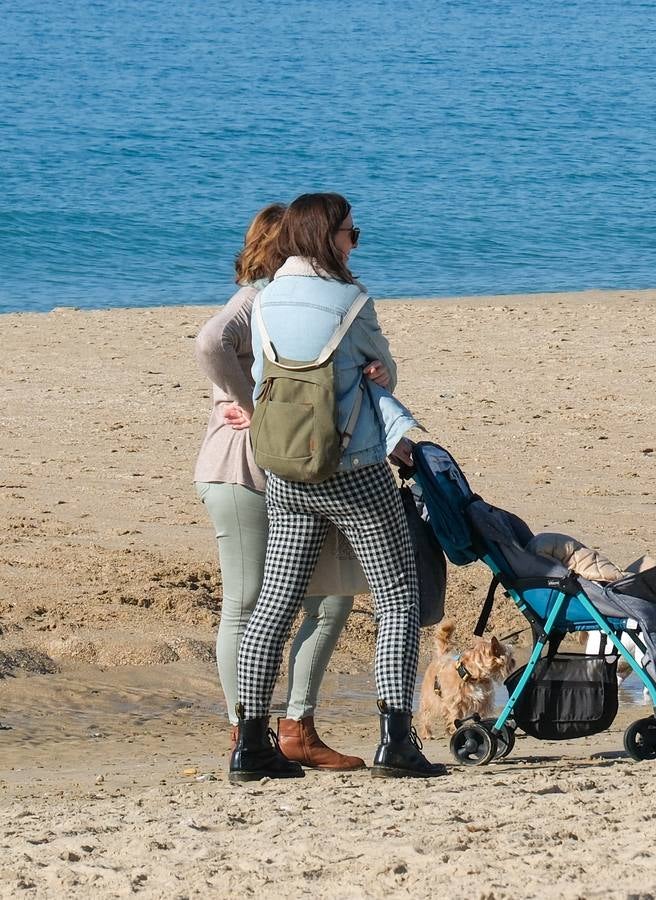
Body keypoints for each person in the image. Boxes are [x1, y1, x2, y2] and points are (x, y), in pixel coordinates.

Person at [229, 192, 447, 780]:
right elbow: (383, 368)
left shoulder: (266, 299)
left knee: (274, 603)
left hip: (284, 468)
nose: (356, 241)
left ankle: (249, 742)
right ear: (328, 237)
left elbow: (260, 378)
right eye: (352, 232)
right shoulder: (352, 302)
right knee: (397, 597)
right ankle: (395, 738)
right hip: (353, 469)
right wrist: (377, 374)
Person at [195, 203, 364, 770]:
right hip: (240, 466)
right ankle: (246, 733)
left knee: (331, 595)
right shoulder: (255, 298)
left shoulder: (287, 301)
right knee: (245, 603)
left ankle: (296, 726)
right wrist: (251, 404)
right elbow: (210, 342)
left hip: (292, 468)